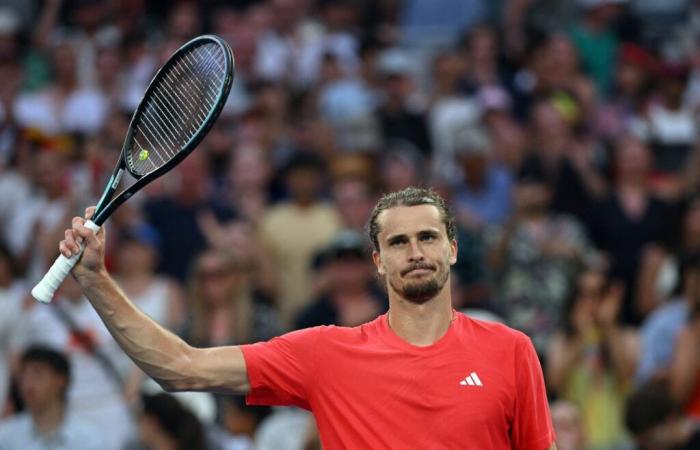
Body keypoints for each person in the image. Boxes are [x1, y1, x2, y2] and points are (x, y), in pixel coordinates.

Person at [59, 186, 556, 449]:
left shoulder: (509, 349)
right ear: (378, 262)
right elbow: (181, 367)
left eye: (427, 237)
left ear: (452, 248)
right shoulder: (326, 353)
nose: (415, 252)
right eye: (397, 242)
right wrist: (97, 280)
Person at [0, 346, 103, 450]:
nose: (28, 383)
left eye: (37, 374)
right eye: (23, 376)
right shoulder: (5, 438)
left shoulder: (90, 440)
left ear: (61, 380)